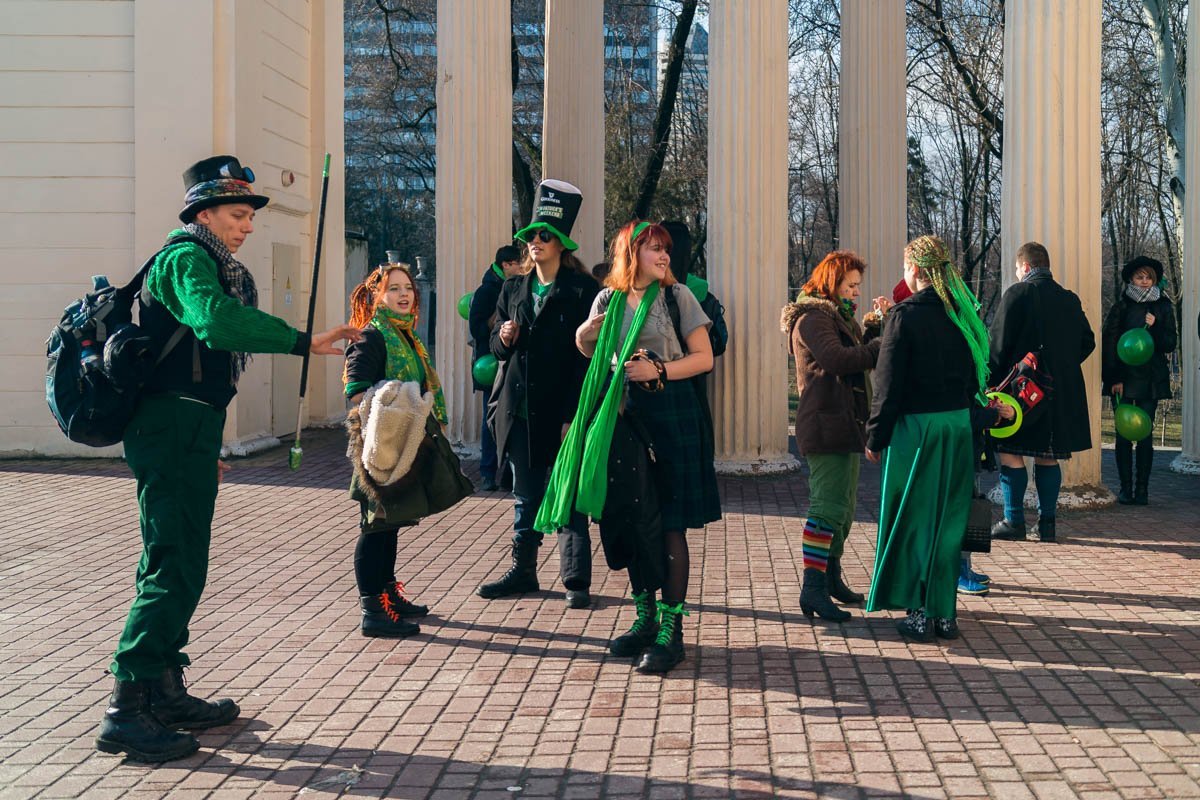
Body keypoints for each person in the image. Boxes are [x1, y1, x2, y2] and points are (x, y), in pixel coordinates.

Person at [96, 156, 361, 763]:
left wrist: (205, 443)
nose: (246, 227)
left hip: (187, 426)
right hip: (171, 425)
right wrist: (303, 340)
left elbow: (198, 356)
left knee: (178, 559)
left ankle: (163, 689)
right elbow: (213, 323)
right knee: (173, 563)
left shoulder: (205, 261)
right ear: (204, 212)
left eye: (248, 216)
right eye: (238, 215)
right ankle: (126, 708)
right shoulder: (187, 258)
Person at [550, 220, 721, 674]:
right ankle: (644, 618)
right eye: (654, 250)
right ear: (631, 254)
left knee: (668, 524)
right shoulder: (606, 298)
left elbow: (703, 357)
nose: (664, 257)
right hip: (620, 418)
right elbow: (588, 349)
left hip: (671, 415)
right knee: (630, 519)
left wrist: (660, 371)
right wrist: (588, 330)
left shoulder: (676, 296)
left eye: (665, 250)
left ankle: (672, 629)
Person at [865, 235, 1012, 641]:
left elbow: (888, 384)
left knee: (914, 521)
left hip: (917, 431)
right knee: (949, 523)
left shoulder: (903, 316)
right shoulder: (962, 317)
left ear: (914, 270)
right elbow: (970, 385)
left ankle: (917, 615)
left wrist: (875, 436)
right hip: (957, 429)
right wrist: (979, 419)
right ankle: (945, 615)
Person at [477, 180, 600, 608]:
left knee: (566, 492)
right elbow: (496, 351)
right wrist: (504, 337)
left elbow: (587, 360)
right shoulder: (513, 289)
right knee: (525, 496)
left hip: (562, 412)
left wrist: (573, 415)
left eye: (544, 236)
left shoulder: (582, 292)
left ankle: (575, 579)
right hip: (520, 410)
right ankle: (524, 571)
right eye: (530, 235)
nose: (534, 242)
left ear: (561, 243)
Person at [343, 263, 473, 638]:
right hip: (379, 446)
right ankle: (373, 610)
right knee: (376, 525)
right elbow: (356, 391)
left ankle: (388, 595)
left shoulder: (406, 336)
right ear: (377, 297)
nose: (404, 295)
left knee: (392, 521)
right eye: (393, 289)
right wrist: (399, 399)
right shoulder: (372, 336)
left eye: (408, 288)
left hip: (403, 441)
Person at [779, 250, 887, 622]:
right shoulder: (812, 318)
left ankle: (830, 579)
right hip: (826, 426)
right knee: (826, 509)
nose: (856, 292)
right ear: (832, 282)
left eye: (857, 286)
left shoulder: (833, 317)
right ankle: (812, 588)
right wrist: (879, 347)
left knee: (843, 510)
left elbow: (851, 351)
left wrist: (872, 328)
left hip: (843, 425)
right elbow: (839, 359)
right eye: (851, 285)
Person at [988, 242, 1095, 543]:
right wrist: (1060, 365)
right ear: (1046, 266)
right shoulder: (1069, 299)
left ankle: (1014, 521)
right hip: (1060, 392)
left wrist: (991, 384)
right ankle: (1047, 524)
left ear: (1023, 267)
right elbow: (1088, 342)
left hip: (1022, 394)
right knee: (1048, 457)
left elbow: (998, 346)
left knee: (1010, 452)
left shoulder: (1017, 293)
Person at [1102, 256, 1177, 504]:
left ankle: (1142, 490)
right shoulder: (1121, 307)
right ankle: (1125, 489)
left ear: (1154, 280)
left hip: (1151, 381)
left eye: (1148, 278)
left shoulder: (1164, 306)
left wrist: (1155, 327)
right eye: (1139, 277)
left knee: (1145, 435)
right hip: (1123, 380)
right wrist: (1114, 377)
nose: (1144, 282)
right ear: (1131, 279)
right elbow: (1111, 344)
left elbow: (1169, 344)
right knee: (1123, 435)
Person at [469, 245, 522, 491]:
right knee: (490, 419)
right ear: (505, 265)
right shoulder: (486, 292)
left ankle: (509, 476)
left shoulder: (520, 287)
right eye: (516, 263)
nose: (521, 267)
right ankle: (488, 472)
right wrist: (495, 319)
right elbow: (477, 330)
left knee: (513, 419)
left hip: (513, 364)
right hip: (489, 364)